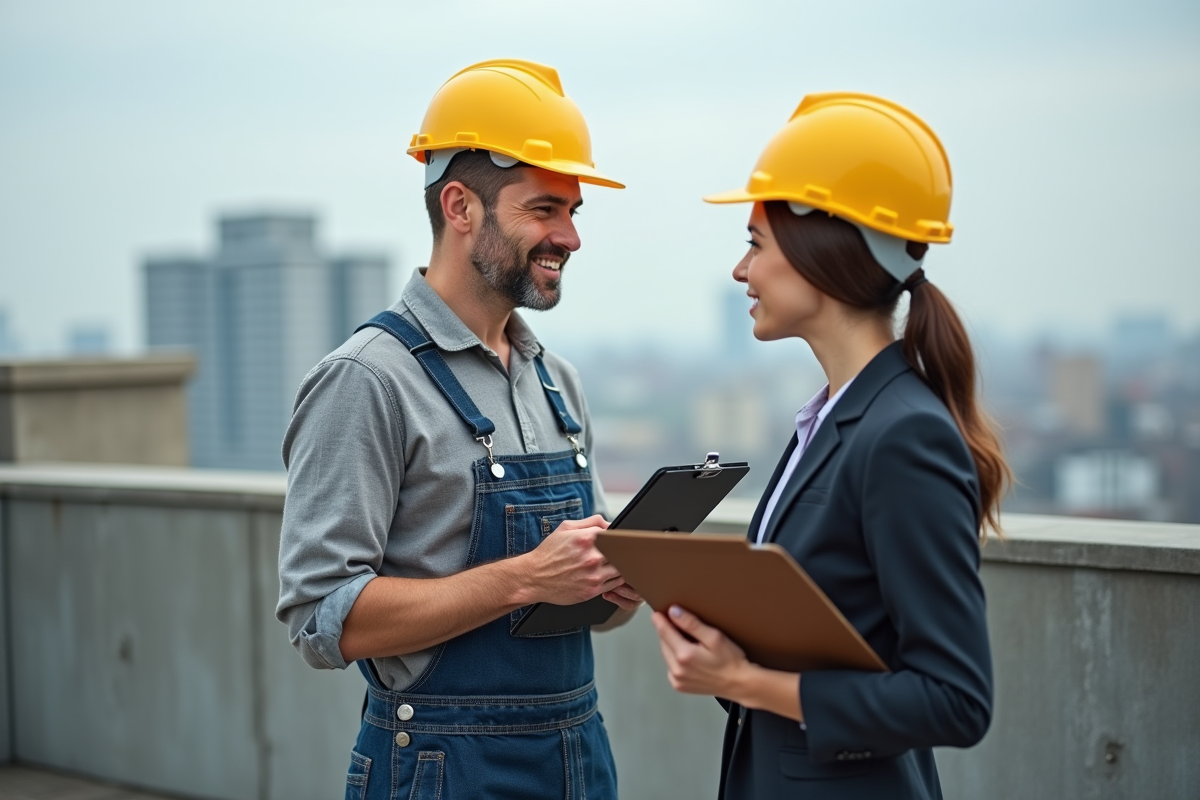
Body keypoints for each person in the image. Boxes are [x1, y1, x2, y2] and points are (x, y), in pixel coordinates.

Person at [276, 59, 641, 800]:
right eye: (545, 210)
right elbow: (322, 619)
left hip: (579, 759)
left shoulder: (556, 382)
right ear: (459, 206)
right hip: (440, 770)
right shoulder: (368, 381)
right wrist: (523, 577)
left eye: (574, 212)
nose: (569, 236)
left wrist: (612, 586)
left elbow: (575, 609)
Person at [650, 92, 1010, 799]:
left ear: (825, 250)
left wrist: (743, 680)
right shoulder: (834, 420)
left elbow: (956, 699)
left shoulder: (903, 435)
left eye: (754, 243)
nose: (740, 271)